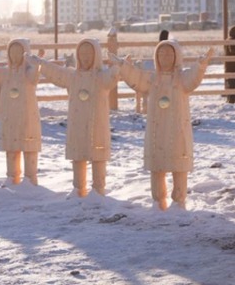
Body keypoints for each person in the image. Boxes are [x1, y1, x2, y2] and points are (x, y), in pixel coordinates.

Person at [117, 40, 213, 210]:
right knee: (158, 165)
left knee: (178, 163)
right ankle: (158, 201)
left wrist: (200, 65)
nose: (165, 58)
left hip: (177, 128)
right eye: (161, 54)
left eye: (169, 54)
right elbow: (136, 78)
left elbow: (193, 78)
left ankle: (179, 201)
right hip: (157, 129)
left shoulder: (182, 79)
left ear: (176, 57)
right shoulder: (152, 79)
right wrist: (123, 67)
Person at [35, 38, 119, 197]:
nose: (85, 57)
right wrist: (40, 63)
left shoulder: (101, 77)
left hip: (97, 123)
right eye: (82, 53)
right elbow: (56, 72)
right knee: (78, 155)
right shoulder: (73, 76)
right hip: (77, 123)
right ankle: (78, 188)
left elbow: (111, 79)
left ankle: (98, 189)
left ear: (96, 55)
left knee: (98, 156)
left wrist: (117, 67)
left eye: (89, 53)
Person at [0, 39, 43, 185]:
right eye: (12, 53)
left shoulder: (28, 72)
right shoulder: (5, 73)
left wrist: (36, 65)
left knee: (28, 146)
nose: (15, 56)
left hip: (27, 116)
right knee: (11, 146)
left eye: (19, 53)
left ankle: (30, 178)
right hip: (10, 116)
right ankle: (12, 176)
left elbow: (33, 78)